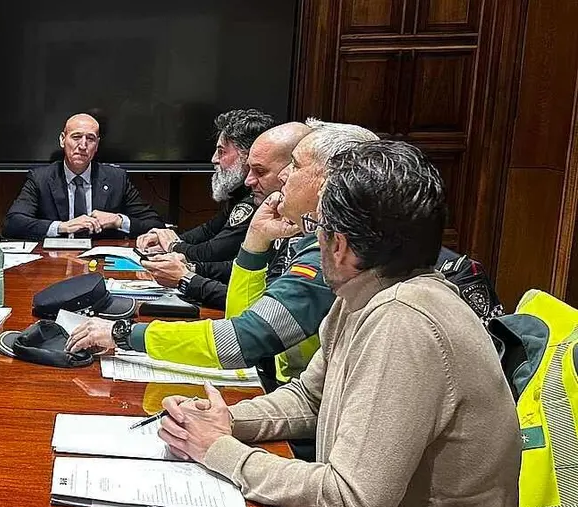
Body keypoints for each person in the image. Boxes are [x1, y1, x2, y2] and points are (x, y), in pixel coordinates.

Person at [155, 141, 529, 507]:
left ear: (341, 247)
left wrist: (219, 451)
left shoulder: (404, 324)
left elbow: (352, 502)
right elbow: (309, 399)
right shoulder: (362, 297)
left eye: (315, 229)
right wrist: (228, 422)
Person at [66, 120, 378, 387]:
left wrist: (124, 334)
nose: (284, 176)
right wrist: (255, 243)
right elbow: (244, 318)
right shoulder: (302, 235)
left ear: (331, 181)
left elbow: (244, 339)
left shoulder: (332, 253)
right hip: (277, 385)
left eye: (295, 166)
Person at [137, 119, 310, 309]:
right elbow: (241, 271)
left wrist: (186, 277)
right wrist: (191, 267)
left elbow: (263, 308)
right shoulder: (270, 208)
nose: (249, 181)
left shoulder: (314, 234)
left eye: (260, 171)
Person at [2, 113, 163, 240]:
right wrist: (63, 227)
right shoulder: (41, 178)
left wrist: (118, 221)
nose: (83, 145)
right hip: (54, 260)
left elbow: (155, 224)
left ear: (97, 145)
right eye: (76, 137)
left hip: (100, 262)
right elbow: (12, 224)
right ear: (62, 140)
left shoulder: (116, 179)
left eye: (90, 139)